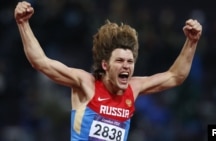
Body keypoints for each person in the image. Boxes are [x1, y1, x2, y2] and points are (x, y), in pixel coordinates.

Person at [14, 1, 202, 141]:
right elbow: (40, 62)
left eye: (130, 61)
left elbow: (175, 76)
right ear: (105, 65)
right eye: (120, 61)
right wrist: (23, 24)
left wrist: (191, 42)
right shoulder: (85, 83)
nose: (126, 66)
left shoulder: (134, 88)